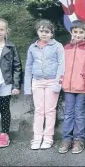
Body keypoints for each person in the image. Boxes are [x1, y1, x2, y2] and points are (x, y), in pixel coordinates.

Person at [24, 19, 65, 150]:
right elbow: (28, 66)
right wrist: (27, 87)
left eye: (47, 31)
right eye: (41, 31)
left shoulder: (57, 46)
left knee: (50, 110)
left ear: (52, 33)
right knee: (39, 110)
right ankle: (37, 138)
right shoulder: (32, 47)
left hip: (52, 81)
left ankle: (48, 138)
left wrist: (58, 84)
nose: (44, 34)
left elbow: (61, 66)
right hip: (37, 82)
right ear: (37, 32)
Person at [58, 21, 85, 154]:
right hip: (68, 86)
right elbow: (61, 66)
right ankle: (66, 139)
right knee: (68, 114)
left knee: (79, 114)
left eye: (81, 32)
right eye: (75, 32)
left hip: (82, 86)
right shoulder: (66, 47)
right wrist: (62, 80)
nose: (78, 34)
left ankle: (79, 139)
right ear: (71, 32)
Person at [0, 18, 22, 148]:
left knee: (5, 109)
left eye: (1, 29)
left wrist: (16, 85)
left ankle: (5, 134)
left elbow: (17, 66)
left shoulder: (11, 47)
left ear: (7, 31)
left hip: (6, 83)